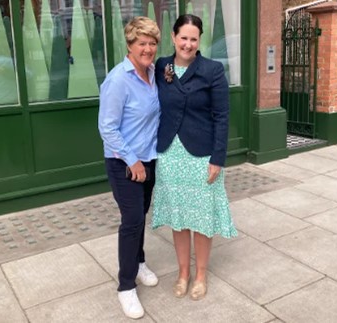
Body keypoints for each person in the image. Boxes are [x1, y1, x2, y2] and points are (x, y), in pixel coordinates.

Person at [152, 14, 238, 301]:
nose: (187, 44)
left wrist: (218, 158)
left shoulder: (212, 70)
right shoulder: (162, 66)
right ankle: (182, 273)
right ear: (174, 37)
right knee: (179, 217)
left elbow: (222, 117)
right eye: (183, 37)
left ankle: (200, 274)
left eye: (193, 38)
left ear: (199, 41)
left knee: (201, 219)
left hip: (202, 155)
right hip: (170, 153)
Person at [98, 16, 161, 319]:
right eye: (142, 43)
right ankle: (125, 287)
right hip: (124, 162)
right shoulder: (118, 80)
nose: (148, 48)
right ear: (130, 44)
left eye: (152, 43)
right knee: (132, 219)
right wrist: (132, 160)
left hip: (148, 159)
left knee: (141, 216)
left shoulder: (153, 74)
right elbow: (107, 128)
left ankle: (139, 263)